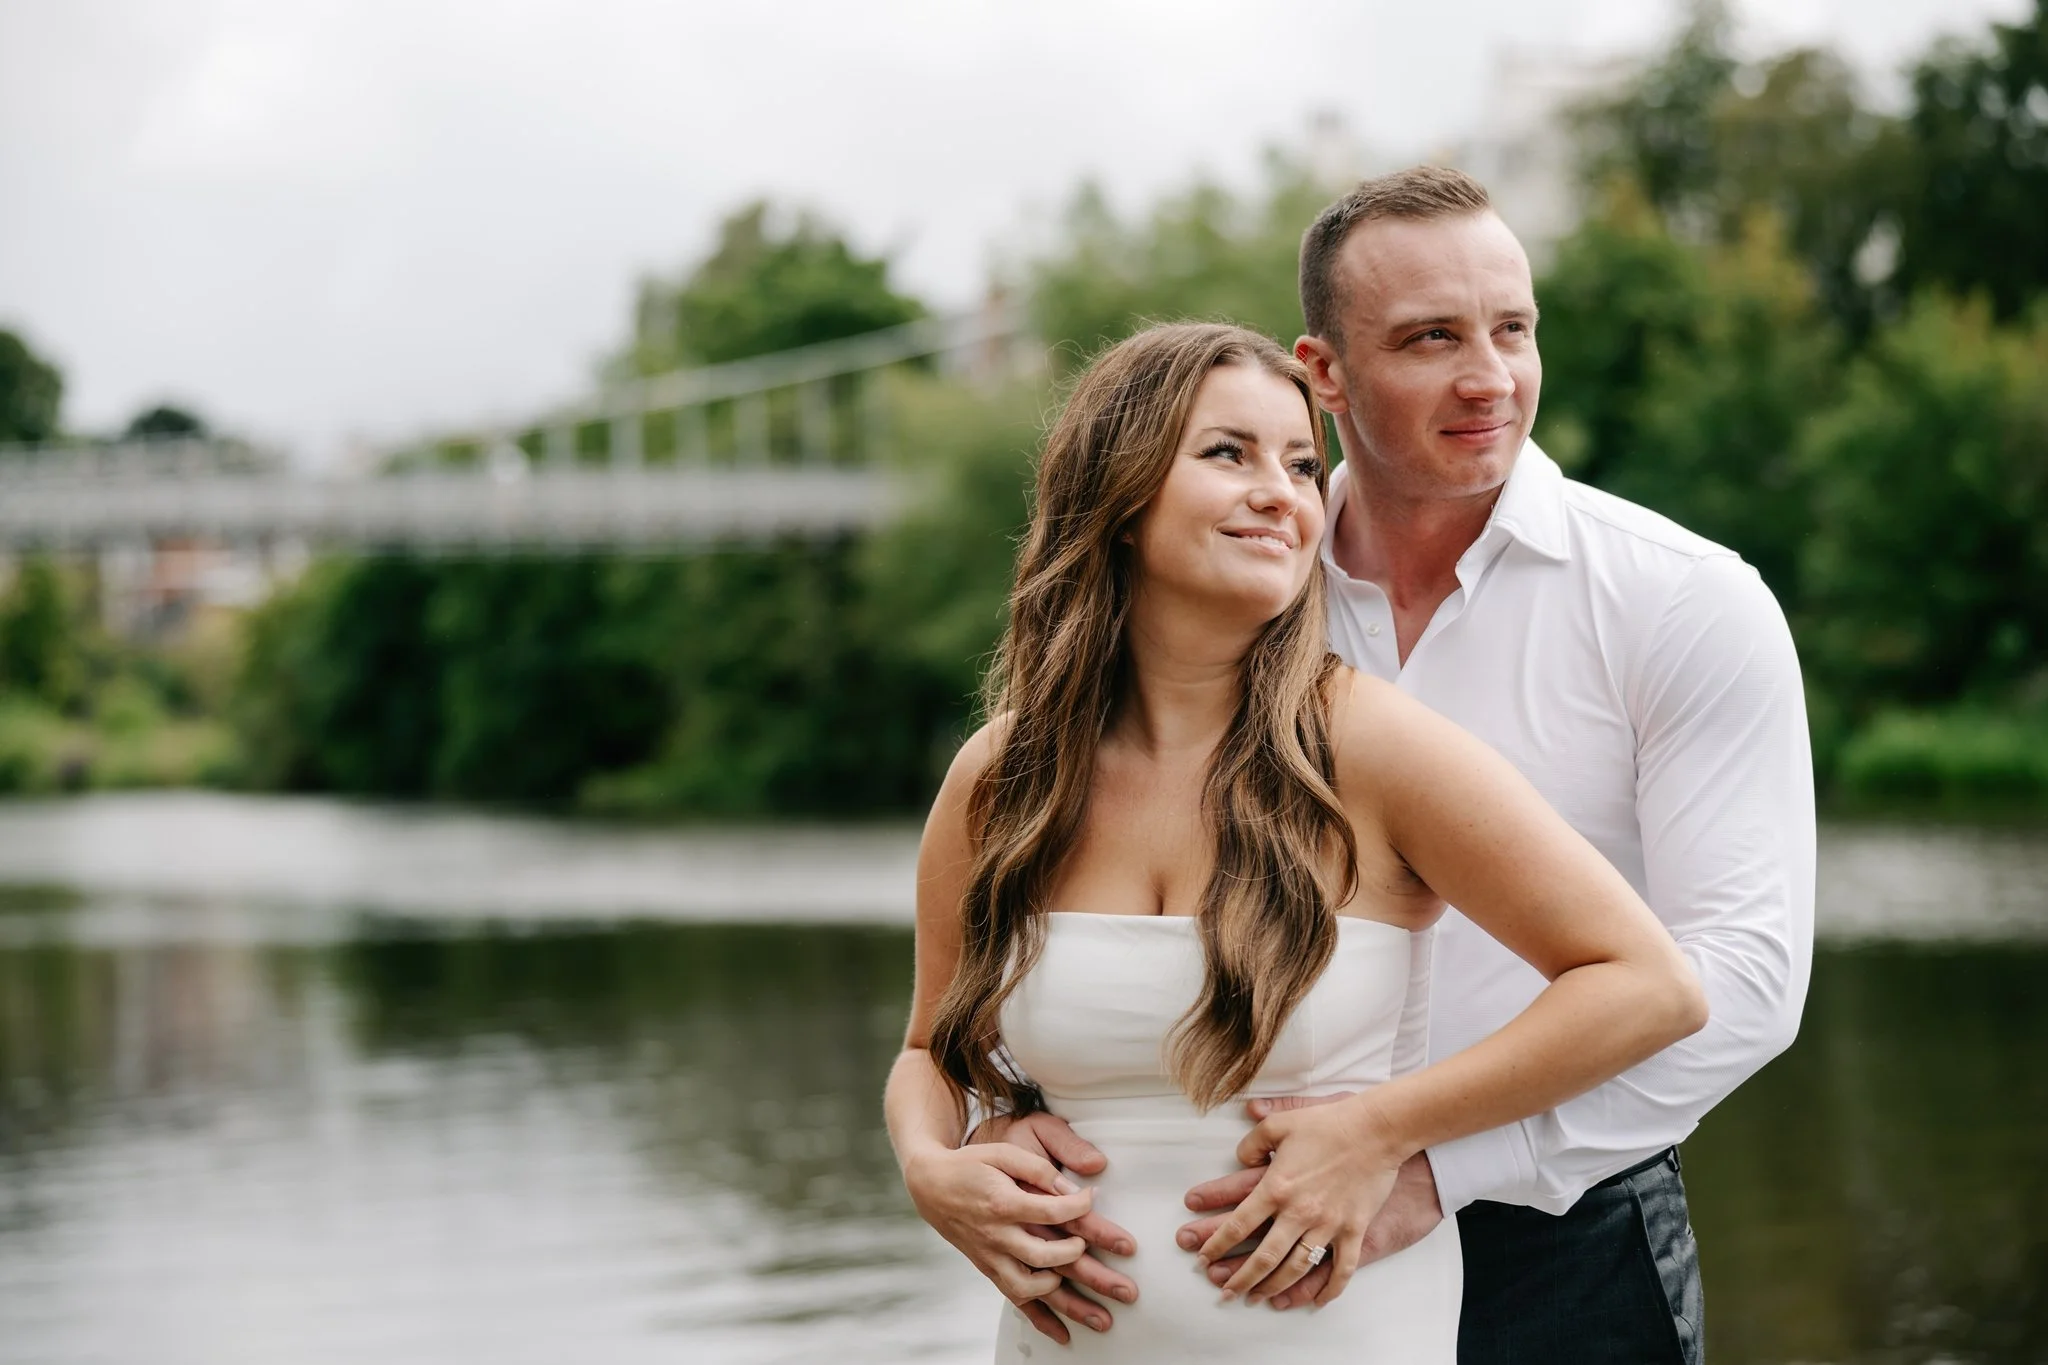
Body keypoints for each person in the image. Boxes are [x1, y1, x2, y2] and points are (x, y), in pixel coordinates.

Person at [912, 169, 1816, 1364]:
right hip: (1178, 1263)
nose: (1489, 376)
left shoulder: (1681, 601)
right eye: (1431, 337)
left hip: (1563, 1222)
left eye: (1512, 328)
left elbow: (1738, 980)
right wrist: (975, 1144)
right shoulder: (1231, 593)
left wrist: (1425, 1164)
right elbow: (1001, 1009)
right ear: (1324, 373)